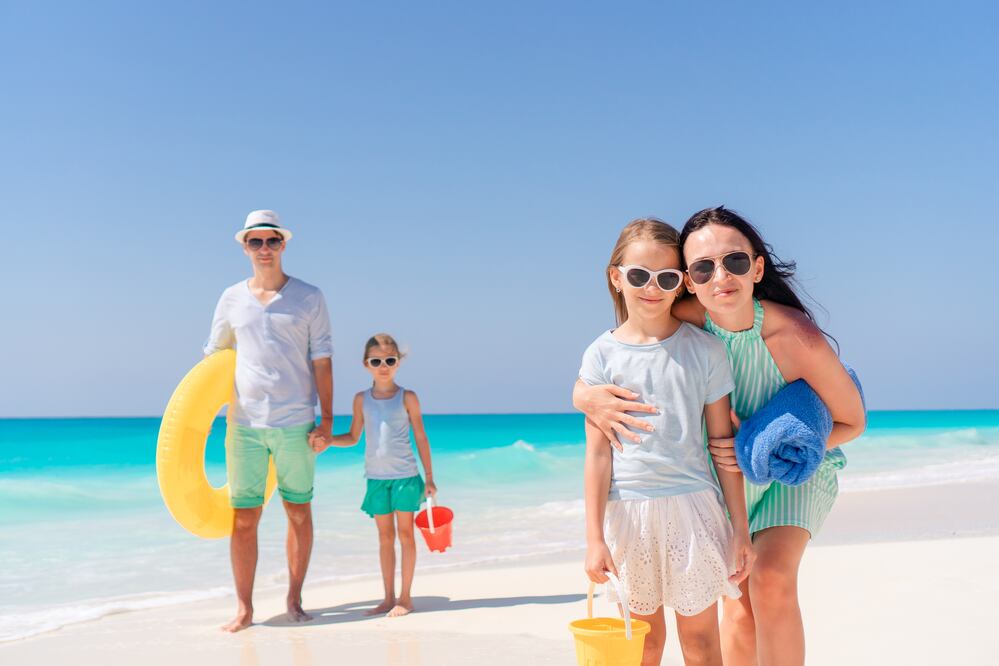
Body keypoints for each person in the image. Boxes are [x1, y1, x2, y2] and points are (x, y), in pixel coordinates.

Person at [575, 207, 866, 666]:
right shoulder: (688, 319)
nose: (719, 277)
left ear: (756, 267)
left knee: (769, 579)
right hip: (726, 473)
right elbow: (623, 351)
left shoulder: (796, 336)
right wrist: (584, 397)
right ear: (688, 280)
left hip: (796, 471)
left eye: (733, 262)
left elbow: (853, 421)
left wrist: (767, 450)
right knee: (738, 605)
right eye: (702, 268)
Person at [580, 218, 754, 666]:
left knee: (699, 644)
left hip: (694, 509)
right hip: (628, 513)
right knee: (643, 645)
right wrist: (593, 538)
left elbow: (723, 448)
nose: (651, 288)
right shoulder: (601, 355)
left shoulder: (706, 351)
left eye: (667, 277)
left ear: (682, 284)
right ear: (616, 277)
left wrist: (740, 529)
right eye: (639, 275)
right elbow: (598, 456)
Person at [204, 210, 334, 633]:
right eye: (255, 242)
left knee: (298, 510)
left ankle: (294, 599)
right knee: (244, 517)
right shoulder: (230, 298)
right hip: (244, 424)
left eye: (271, 241)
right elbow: (215, 358)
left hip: (296, 421)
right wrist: (203, 418)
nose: (264, 249)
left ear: (283, 245)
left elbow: (322, 360)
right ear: (244, 247)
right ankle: (244, 608)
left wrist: (327, 419)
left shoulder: (310, 297)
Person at [315, 333, 436, 618]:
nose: (384, 365)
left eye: (390, 360)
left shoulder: (408, 397)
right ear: (366, 364)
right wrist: (329, 440)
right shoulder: (361, 400)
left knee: (406, 534)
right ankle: (387, 598)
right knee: (384, 538)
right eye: (377, 360)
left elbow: (420, 436)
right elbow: (354, 437)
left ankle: (406, 598)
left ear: (398, 363)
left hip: (406, 475)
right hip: (376, 479)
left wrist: (429, 477)